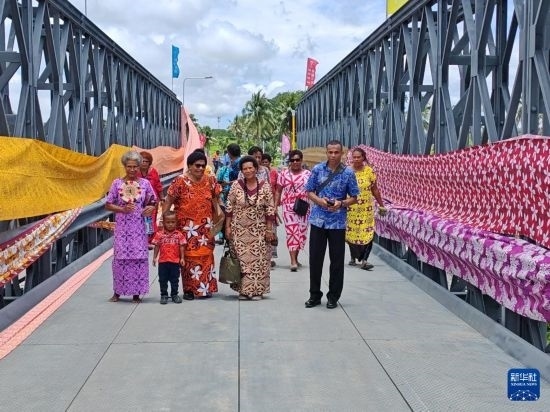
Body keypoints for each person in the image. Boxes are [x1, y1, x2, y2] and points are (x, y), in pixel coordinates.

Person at [304, 140, 359, 309]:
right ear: (326, 153)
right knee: (315, 259)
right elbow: (309, 191)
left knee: (337, 261)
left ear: (342, 153)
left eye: (336, 152)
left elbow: (354, 197)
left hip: (338, 222)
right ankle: (314, 294)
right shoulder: (317, 169)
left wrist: (341, 203)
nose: (333, 155)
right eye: (330, 152)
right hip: (318, 220)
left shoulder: (348, 173)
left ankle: (333, 296)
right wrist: (319, 201)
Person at [163, 149, 222, 300]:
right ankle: (189, 289)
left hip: (205, 227)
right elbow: (168, 202)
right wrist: (165, 224)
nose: (200, 168)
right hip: (186, 228)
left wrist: (220, 218)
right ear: (189, 166)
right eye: (197, 165)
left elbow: (217, 200)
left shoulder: (210, 180)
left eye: (203, 165)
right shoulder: (179, 181)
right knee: (187, 257)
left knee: (206, 255)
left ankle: (205, 288)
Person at [105, 150, 157, 303]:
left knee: (139, 258)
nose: (132, 169)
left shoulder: (145, 184)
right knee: (120, 258)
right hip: (123, 228)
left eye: (135, 166)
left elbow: (153, 200)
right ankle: (117, 292)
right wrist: (122, 209)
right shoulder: (117, 183)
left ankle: (136, 293)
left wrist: (150, 208)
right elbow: (108, 204)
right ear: (124, 166)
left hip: (139, 227)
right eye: (129, 166)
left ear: (139, 166)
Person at [225, 156, 276, 300]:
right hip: (239, 230)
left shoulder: (265, 186)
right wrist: (227, 227)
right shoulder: (236, 185)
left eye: (250, 168)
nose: (248, 171)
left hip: (259, 230)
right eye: (245, 169)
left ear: (256, 169)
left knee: (259, 261)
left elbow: (270, 209)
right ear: (241, 171)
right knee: (241, 261)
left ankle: (257, 290)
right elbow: (229, 207)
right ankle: (243, 290)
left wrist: (269, 229)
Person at [346, 147, 387, 270]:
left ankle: (364, 260)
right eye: (354, 157)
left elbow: (375, 189)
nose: (356, 159)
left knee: (368, 232)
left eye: (359, 157)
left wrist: (381, 205)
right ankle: (353, 256)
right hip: (351, 208)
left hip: (366, 209)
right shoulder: (347, 172)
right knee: (352, 233)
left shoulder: (369, 171)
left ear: (363, 157)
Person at [274, 150, 311, 271]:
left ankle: (296, 258)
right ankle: (293, 261)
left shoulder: (308, 174)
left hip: (303, 206)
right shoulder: (284, 174)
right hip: (289, 207)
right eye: (292, 160)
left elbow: (313, 190)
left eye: (297, 160)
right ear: (289, 161)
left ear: (301, 160)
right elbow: (278, 191)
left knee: (301, 234)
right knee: (292, 233)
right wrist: (275, 206)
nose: (295, 162)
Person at [152, 211, 186, 304]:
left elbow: (182, 246)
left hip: (175, 262)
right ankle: (164, 295)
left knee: (175, 279)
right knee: (162, 279)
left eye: (173, 222)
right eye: (168, 222)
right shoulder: (159, 234)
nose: (170, 224)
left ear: (176, 222)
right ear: (163, 222)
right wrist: (154, 257)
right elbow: (157, 246)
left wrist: (182, 258)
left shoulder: (179, 235)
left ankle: (174, 294)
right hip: (163, 262)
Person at [139, 151, 163, 242]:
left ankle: (150, 239)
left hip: (152, 201)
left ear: (149, 163)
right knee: (140, 220)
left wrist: (162, 199)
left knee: (151, 220)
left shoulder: (153, 172)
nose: (144, 163)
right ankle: (142, 238)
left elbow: (158, 186)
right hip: (140, 201)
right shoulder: (135, 172)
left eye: (146, 161)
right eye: (142, 161)